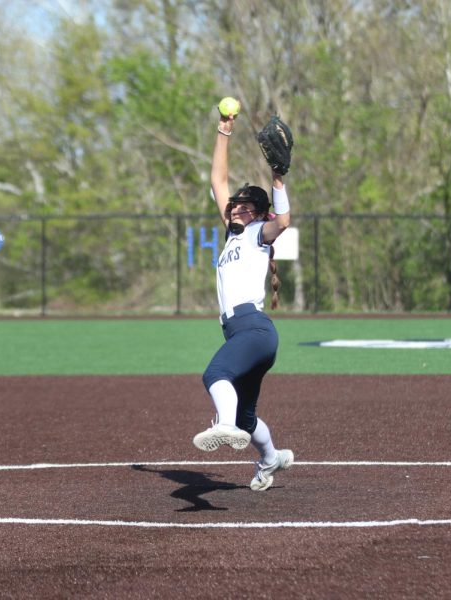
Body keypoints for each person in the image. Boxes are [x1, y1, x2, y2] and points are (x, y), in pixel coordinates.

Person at [191, 109, 293, 492]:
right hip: (245, 336)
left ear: (257, 213)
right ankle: (272, 459)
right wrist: (223, 131)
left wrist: (279, 177)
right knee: (249, 417)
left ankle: (224, 424)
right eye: (234, 205)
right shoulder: (234, 234)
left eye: (244, 206)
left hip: (252, 328)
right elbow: (217, 178)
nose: (235, 208)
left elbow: (282, 223)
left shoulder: (256, 234)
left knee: (215, 376)